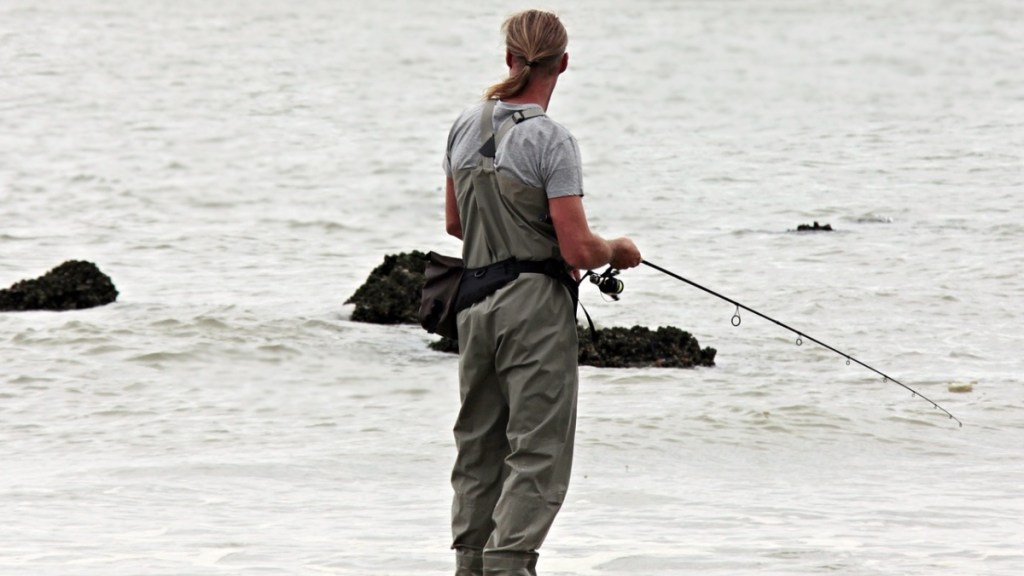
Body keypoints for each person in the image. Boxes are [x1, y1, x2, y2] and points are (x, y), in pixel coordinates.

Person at [442, 9, 642, 576]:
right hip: (533, 309)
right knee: (537, 450)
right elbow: (579, 250)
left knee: (478, 446)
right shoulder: (551, 139)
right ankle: (510, 565)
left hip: (474, 303)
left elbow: (456, 225)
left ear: (510, 58)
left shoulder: (464, 125)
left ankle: (470, 565)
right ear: (563, 63)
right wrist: (619, 249)